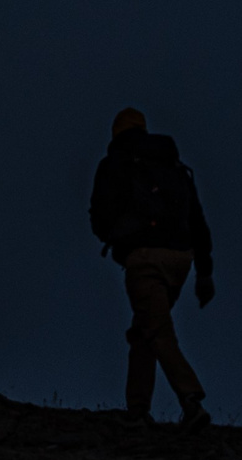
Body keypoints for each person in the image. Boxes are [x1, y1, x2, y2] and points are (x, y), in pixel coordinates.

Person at [89, 107, 214, 426]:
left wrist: (117, 237)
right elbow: (198, 220)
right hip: (181, 260)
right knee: (144, 329)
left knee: (157, 330)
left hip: (143, 258)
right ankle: (138, 409)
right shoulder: (173, 166)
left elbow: (99, 213)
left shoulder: (115, 164)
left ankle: (191, 399)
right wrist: (204, 272)